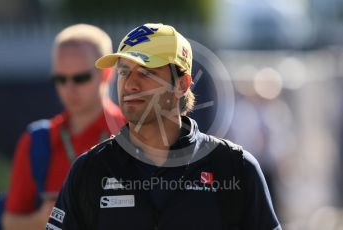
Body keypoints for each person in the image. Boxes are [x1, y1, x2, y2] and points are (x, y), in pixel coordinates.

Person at [47, 23, 282, 230]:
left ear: (182, 84)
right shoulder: (89, 170)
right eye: (124, 72)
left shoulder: (235, 168)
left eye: (146, 72)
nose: (130, 84)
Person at [2, 24, 126, 230]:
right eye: (60, 79)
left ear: (107, 74)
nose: (69, 88)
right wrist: (41, 220)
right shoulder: (37, 141)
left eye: (80, 78)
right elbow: (9, 221)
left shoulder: (135, 134)